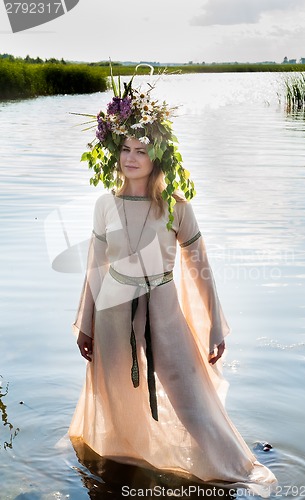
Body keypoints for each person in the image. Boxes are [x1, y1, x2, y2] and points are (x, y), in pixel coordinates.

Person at [69, 69, 277, 497]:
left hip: (161, 306)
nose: (130, 158)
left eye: (140, 150)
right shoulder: (104, 204)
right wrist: (85, 323)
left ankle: (229, 468)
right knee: (114, 393)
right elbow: (94, 266)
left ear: (157, 154)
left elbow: (201, 265)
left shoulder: (176, 206)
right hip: (111, 310)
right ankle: (122, 462)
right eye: (124, 148)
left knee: (188, 392)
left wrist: (216, 324)